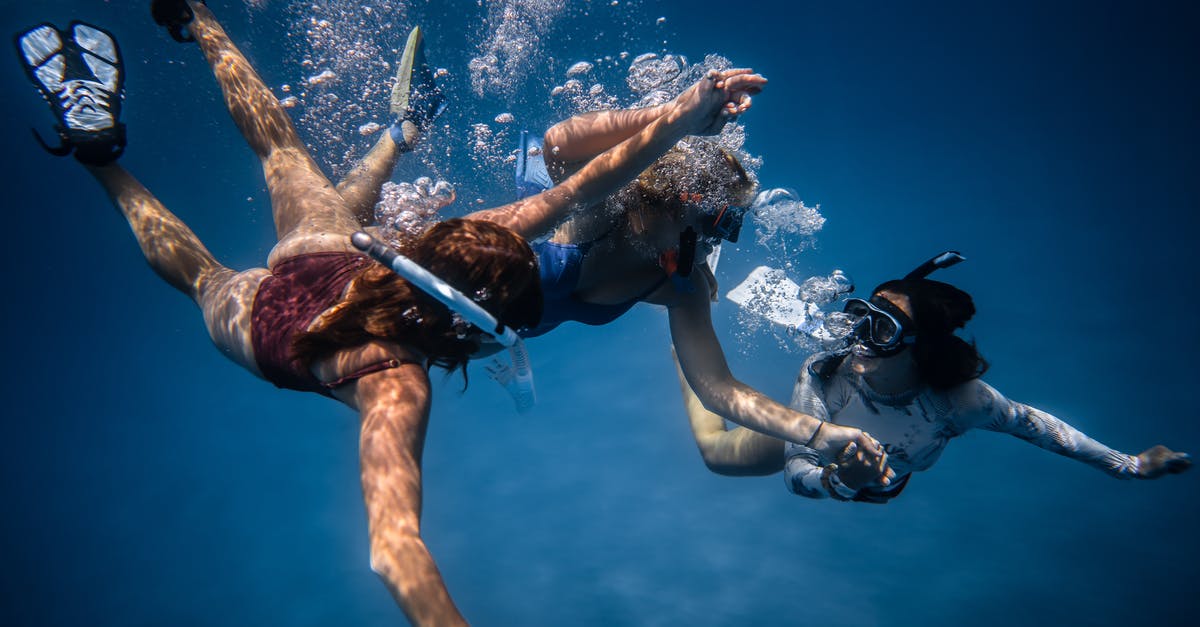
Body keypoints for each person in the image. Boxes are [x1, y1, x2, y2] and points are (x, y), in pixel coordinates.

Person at [15, 2, 772, 624]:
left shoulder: (474, 237)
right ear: (485, 325)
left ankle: (203, 22)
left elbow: (583, 184)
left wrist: (684, 113)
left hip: (339, 253)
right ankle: (106, 163)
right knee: (201, 274)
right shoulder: (396, 379)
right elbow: (394, 545)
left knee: (287, 157)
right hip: (274, 328)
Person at [677, 252, 1192, 502]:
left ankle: (685, 313)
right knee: (717, 454)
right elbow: (798, 472)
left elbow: (1045, 430)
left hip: (879, 465)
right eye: (860, 317)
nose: (856, 336)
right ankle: (682, 325)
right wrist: (840, 481)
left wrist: (1128, 465)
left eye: (879, 328)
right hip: (814, 428)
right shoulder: (824, 373)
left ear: (918, 347)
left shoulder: (962, 402)